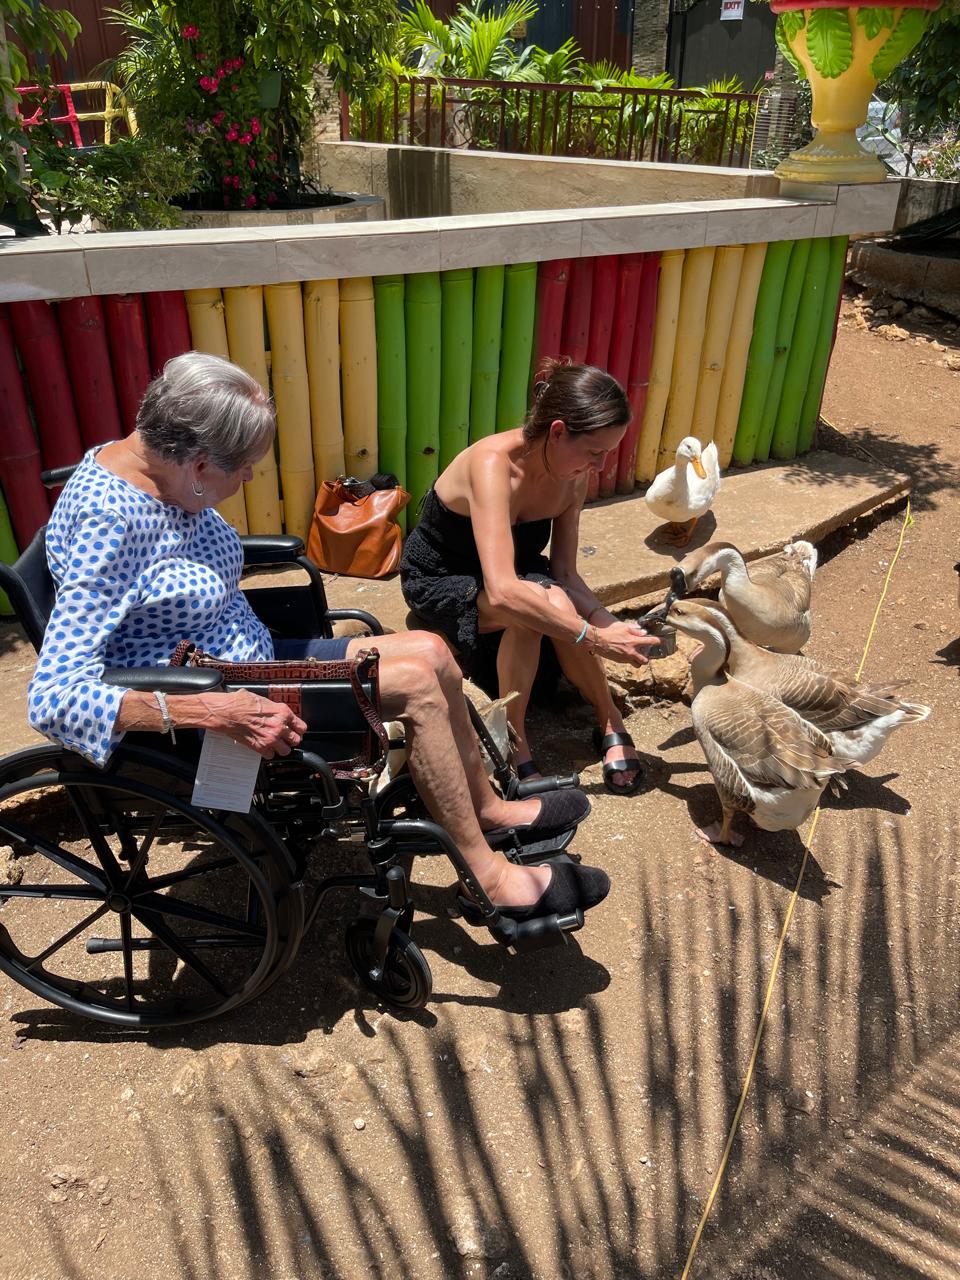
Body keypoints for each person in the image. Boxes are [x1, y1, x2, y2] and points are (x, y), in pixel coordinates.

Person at [27, 352, 607, 924]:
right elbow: (54, 696)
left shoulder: (152, 457)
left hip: (248, 653)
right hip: (218, 686)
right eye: (244, 467)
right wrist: (211, 709)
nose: (251, 476)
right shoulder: (111, 521)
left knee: (433, 650)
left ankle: (488, 808)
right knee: (416, 688)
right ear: (199, 464)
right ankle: (489, 877)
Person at [401, 360, 660, 794]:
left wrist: (609, 623)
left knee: (550, 596)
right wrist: (595, 640)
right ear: (557, 432)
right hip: (444, 576)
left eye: (607, 454)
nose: (598, 466)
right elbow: (503, 592)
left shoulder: (571, 477)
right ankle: (514, 744)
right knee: (533, 606)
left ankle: (608, 719)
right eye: (594, 452)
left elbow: (563, 572)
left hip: (516, 573)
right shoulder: (492, 464)